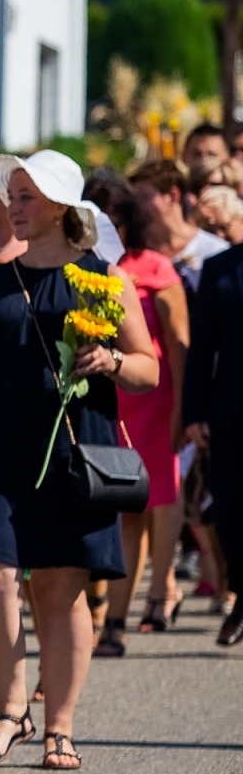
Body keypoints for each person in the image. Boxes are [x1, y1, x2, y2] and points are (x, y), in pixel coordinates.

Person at [0, 150, 158, 772]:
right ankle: (12, 709)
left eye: (26, 196)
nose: (13, 207)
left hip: (74, 451)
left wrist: (111, 360)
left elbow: (148, 368)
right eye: (10, 196)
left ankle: (60, 724)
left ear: (60, 205)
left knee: (59, 590)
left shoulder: (106, 279)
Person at [81, 175, 188, 656]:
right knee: (110, 509)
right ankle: (100, 608)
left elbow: (179, 345)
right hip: (101, 403)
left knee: (144, 504)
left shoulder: (155, 268)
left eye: (115, 220)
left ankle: (124, 616)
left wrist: (182, 407)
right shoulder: (78, 268)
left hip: (151, 401)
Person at [183, 231, 243, 646]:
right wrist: (194, 412)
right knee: (231, 513)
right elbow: (201, 347)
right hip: (231, 416)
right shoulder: (220, 268)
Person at [130, 160, 230, 294]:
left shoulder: (214, 251)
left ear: (173, 196)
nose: (137, 206)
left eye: (145, 197)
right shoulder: (135, 255)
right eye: (134, 199)